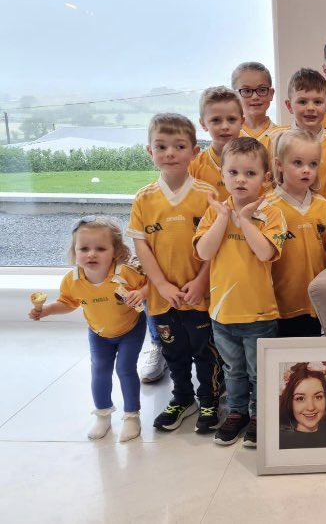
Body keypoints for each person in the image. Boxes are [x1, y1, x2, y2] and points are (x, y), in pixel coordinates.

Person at [127, 114, 223, 434]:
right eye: (161, 146)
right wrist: (161, 284)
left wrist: (201, 281)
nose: (170, 152)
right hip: (162, 298)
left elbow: (217, 246)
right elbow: (142, 249)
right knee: (174, 351)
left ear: (194, 152)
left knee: (204, 351)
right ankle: (183, 397)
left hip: (199, 294)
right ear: (148, 151)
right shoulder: (143, 199)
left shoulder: (207, 194)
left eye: (179, 146)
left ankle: (208, 398)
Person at [194, 137, 287, 447]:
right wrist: (224, 217)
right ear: (223, 175)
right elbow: (205, 252)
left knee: (260, 372)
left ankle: (260, 415)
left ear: (265, 178)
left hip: (260, 312)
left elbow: (264, 254)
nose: (241, 179)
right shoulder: (214, 213)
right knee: (233, 370)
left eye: (250, 173)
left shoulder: (272, 213)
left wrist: (244, 220)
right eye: (233, 172)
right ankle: (236, 413)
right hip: (222, 312)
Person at [29, 217, 148, 442]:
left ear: (116, 251)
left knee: (125, 369)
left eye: (100, 248)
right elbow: (67, 302)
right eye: (84, 248)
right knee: (100, 370)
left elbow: (150, 286)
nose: (91, 254)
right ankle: (102, 413)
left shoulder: (125, 274)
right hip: (99, 333)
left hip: (130, 329)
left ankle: (132, 415)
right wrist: (46, 310)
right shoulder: (73, 280)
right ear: (74, 252)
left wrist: (142, 293)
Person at [268, 129, 326, 337]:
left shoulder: (322, 205)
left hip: (315, 303)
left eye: (313, 164)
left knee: (311, 363)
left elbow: (325, 247)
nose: (306, 170)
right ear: (279, 164)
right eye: (297, 163)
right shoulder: (267, 207)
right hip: (280, 304)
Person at [273, 68, 326, 204]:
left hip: (322, 218)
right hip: (283, 216)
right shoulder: (276, 138)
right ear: (289, 105)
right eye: (302, 102)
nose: (311, 108)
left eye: (318, 102)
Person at [188, 86, 245, 202]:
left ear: (242, 121)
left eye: (231, 119)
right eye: (216, 120)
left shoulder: (255, 160)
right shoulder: (194, 166)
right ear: (203, 123)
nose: (225, 126)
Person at [279, 362, 326, 449]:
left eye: (318, 397)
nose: (311, 407)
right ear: (290, 401)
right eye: (300, 398)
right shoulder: (280, 441)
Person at [231, 61, 281, 155]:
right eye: (246, 91)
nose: (255, 97)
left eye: (262, 90)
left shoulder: (282, 135)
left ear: (271, 94)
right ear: (235, 96)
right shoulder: (228, 136)